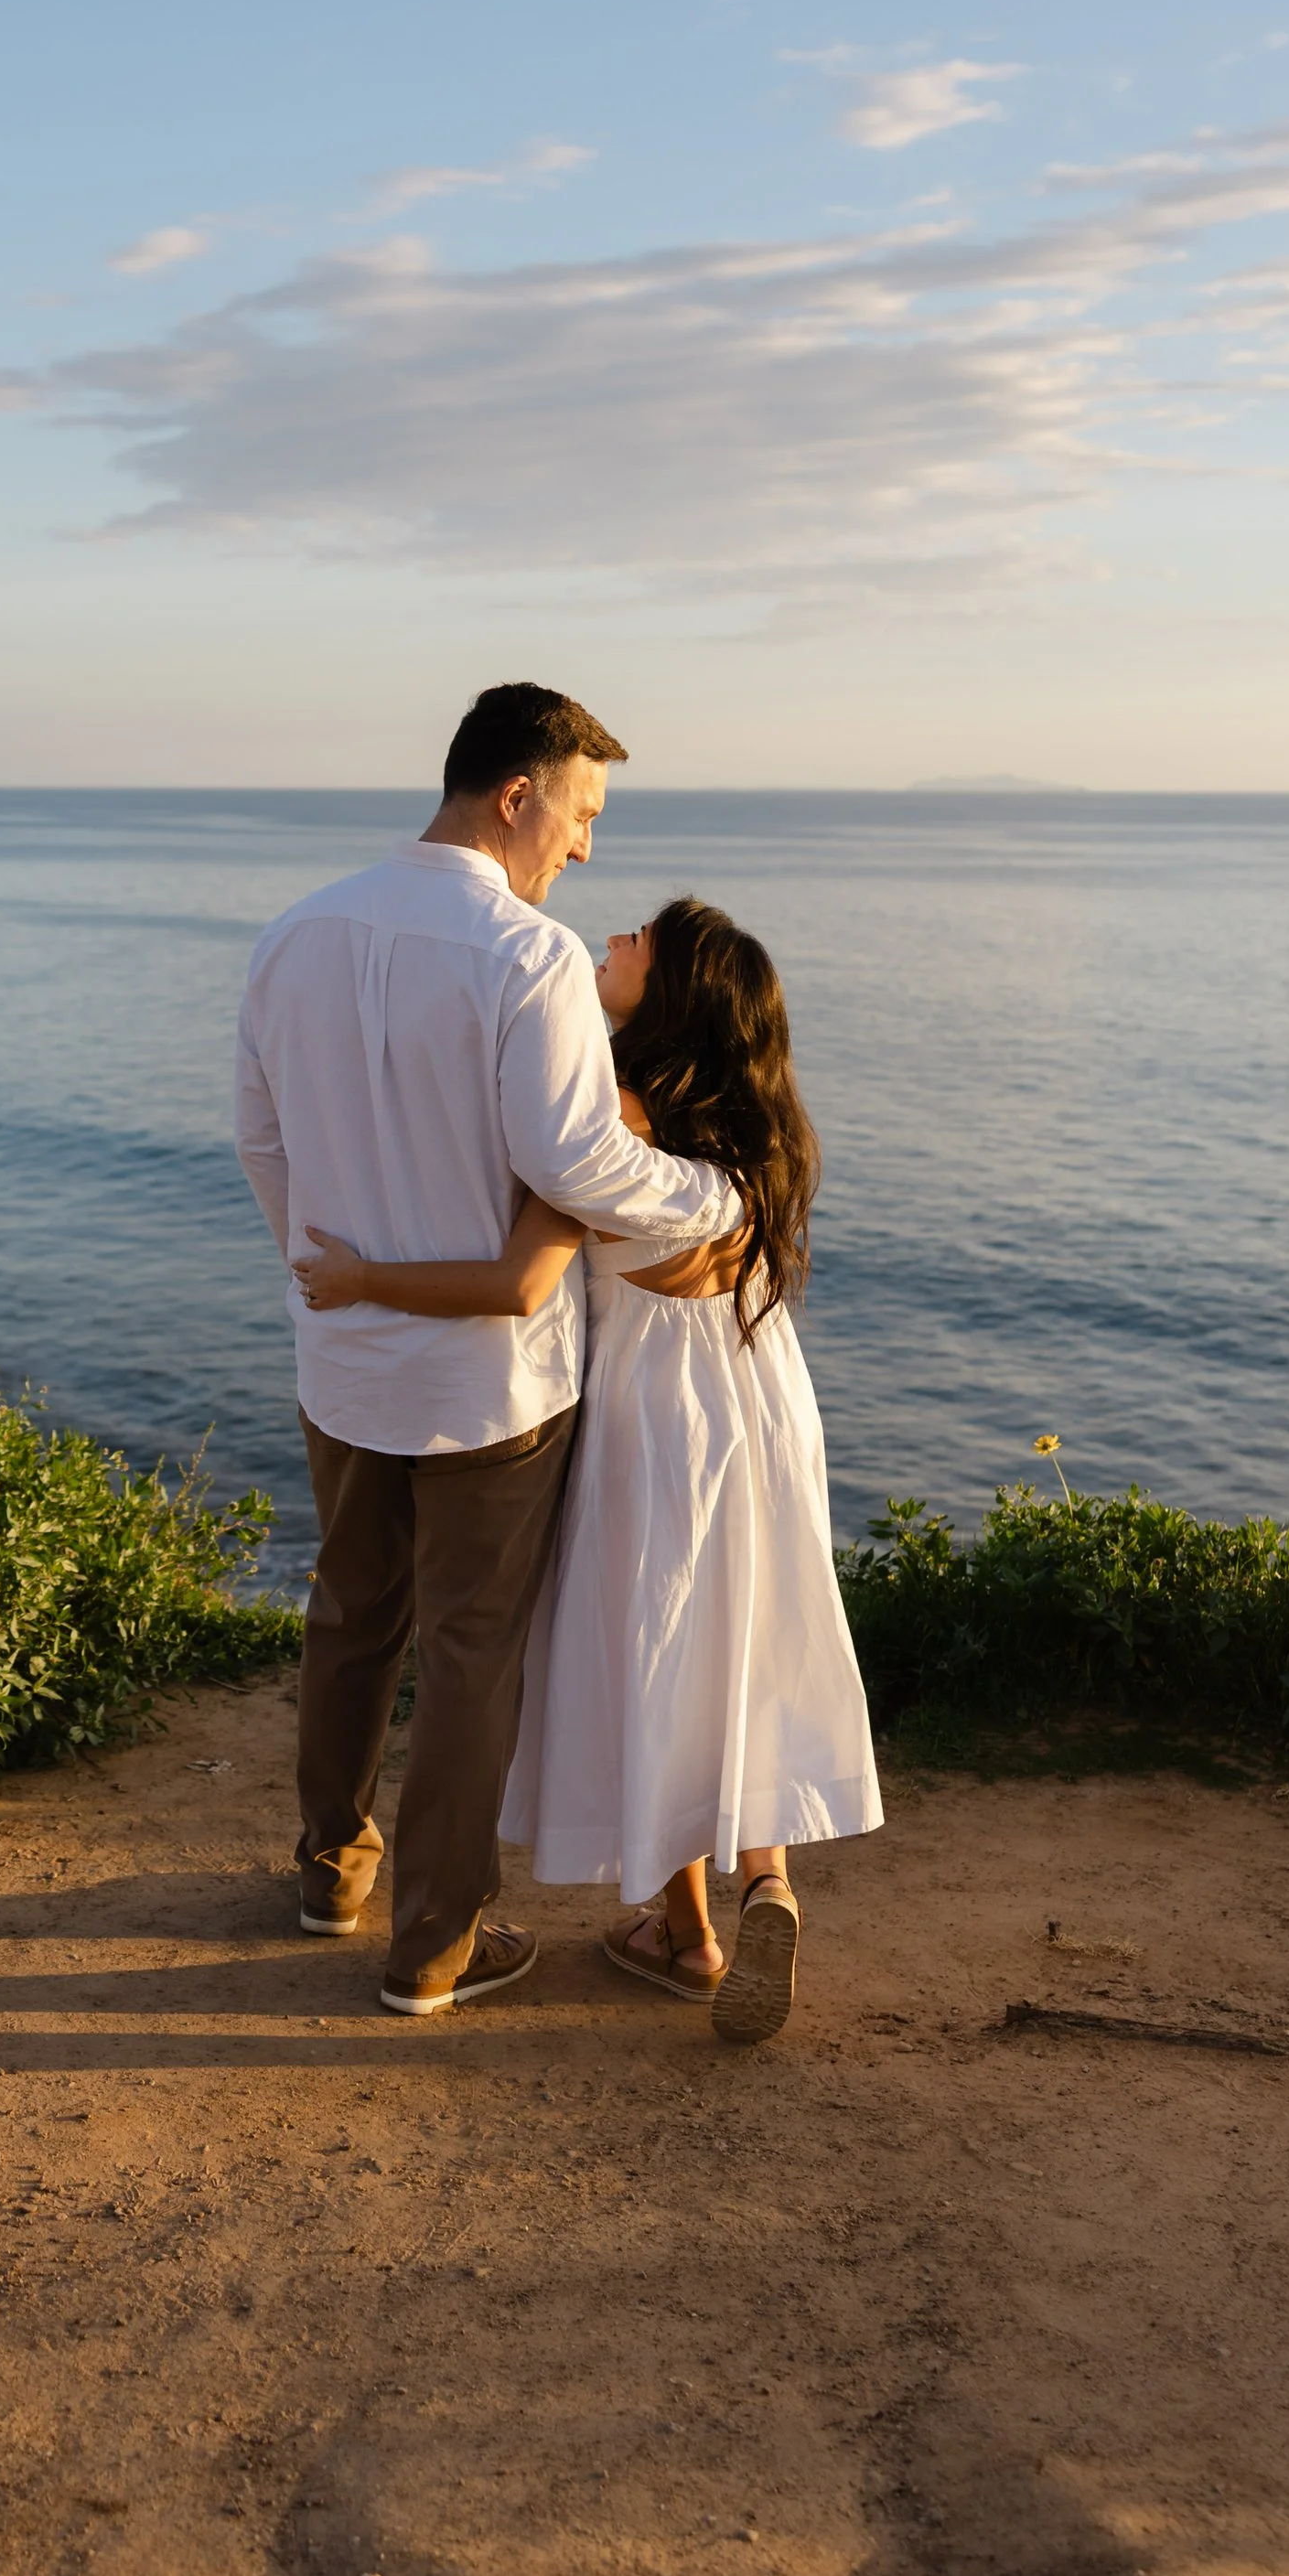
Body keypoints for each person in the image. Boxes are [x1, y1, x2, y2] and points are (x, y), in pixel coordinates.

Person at [233, 686, 742, 2019]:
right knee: (468, 1651)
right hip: (493, 1381)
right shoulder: (533, 957)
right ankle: (432, 1947)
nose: (583, 848)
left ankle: (329, 1874)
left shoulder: (293, 934)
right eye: (580, 814)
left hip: (343, 1357)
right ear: (516, 795)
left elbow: (262, 1143)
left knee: (349, 1615)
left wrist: (327, 1280)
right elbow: (572, 1159)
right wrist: (720, 1201)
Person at [295, 896, 881, 2045]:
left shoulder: (610, 1114)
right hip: (760, 1399)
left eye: (639, 941)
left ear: (670, 995)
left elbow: (518, 1285)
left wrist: (363, 1279)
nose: (612, 938)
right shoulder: (756, 1132)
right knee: (740, 1639)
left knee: (652, 1646)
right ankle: (765, 1884)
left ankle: (687, 1932)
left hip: (651, 1409)